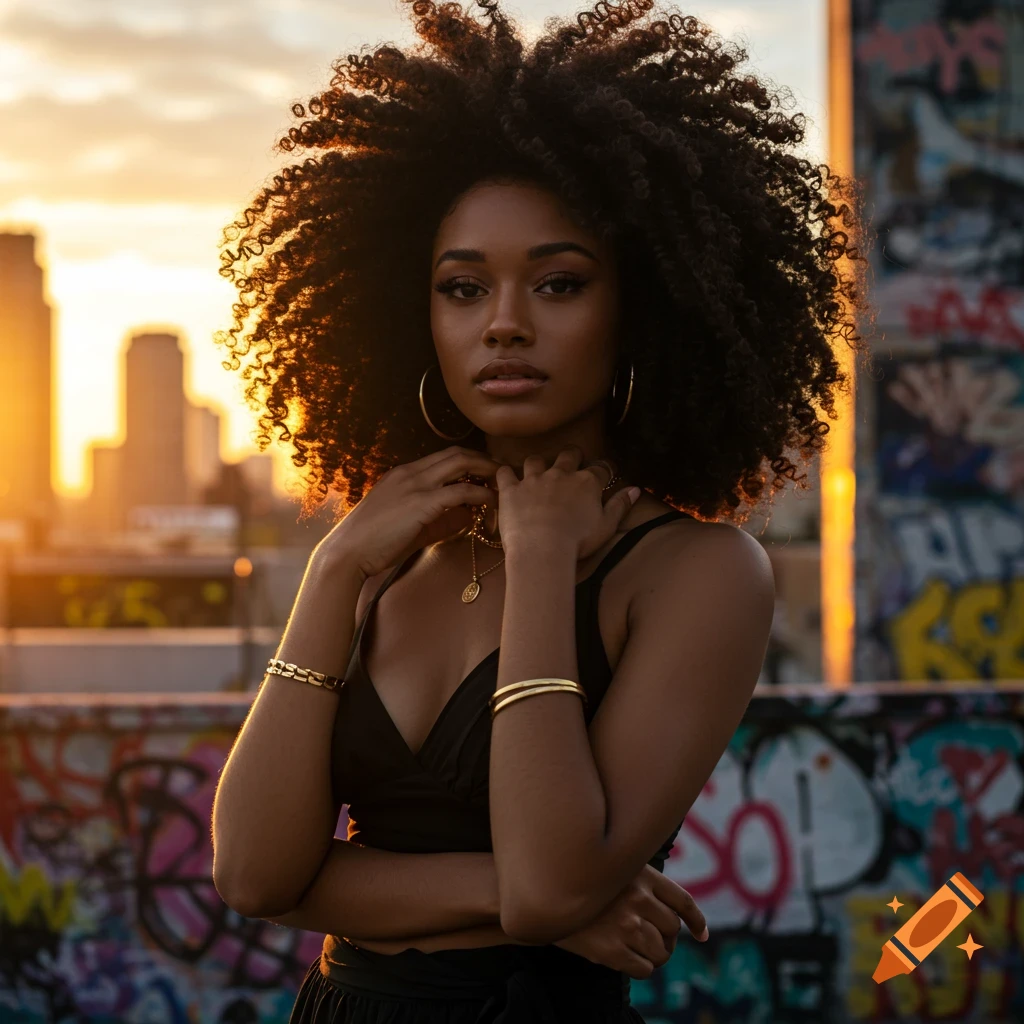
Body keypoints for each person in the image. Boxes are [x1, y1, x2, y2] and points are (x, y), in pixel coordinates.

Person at [210, 0, 865, 1020]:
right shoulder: (384, 555)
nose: (505, 324)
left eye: (558, 284)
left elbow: (552, 881)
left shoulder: (698, 572)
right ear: (413, 314)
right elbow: (254, 871)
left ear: (642, 308)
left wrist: (546, 555)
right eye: (462, 288)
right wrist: (334, 569)